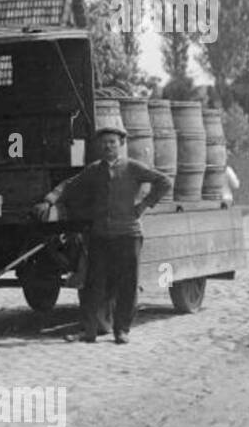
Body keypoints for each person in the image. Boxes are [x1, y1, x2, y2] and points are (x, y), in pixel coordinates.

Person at [31, 123, 173, 344]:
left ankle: (122, 330)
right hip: (100, 236)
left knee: (127, 284)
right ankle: (89, 331)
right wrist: (49, 199)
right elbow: (70, 185)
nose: (108, 147)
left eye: (112, 143)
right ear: (99, 146)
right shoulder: (94, 170)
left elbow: (164, 181)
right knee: (94, 285)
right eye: (104, 143)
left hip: (128, 235)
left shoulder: (133, 167)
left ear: (121, 144)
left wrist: (144, 205)